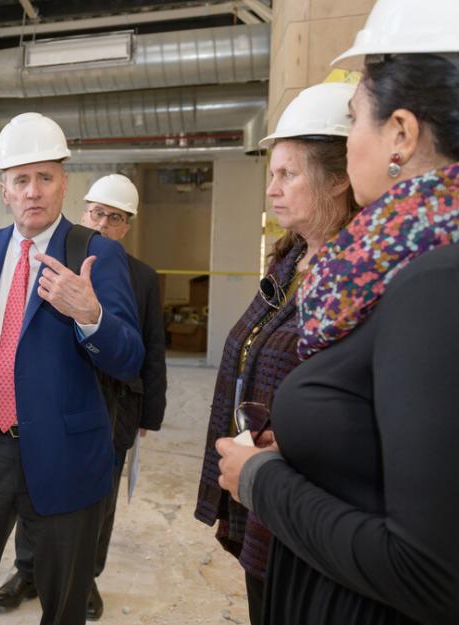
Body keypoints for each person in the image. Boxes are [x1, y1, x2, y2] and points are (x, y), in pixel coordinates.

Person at [217, 2, 459, 622]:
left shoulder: (434, 281)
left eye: (354, 119)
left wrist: (261, 479)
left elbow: (428, 569)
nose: (350, 140)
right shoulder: (393, 260)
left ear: (400, 134)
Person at [0, 112, 144, 625]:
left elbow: (130, 358)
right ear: (4, 189)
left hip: (67, 453)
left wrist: (89, 315)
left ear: (63, 184)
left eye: (45, 178)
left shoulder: (96, 254)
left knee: (62, 600)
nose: (34, 192)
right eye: (21, 180)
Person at [192, 80, 359, 623]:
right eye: (273, 174)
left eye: (288, 174)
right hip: (261, 484)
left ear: (337, 180)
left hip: (309, 503)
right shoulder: (288, 264)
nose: (272, 189)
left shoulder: (358, 276)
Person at [0, 173, 168, 621]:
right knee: (35, 487)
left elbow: (151, 345)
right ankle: (27, 571)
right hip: (63, 404)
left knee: (99, 497)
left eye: (115, 218)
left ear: (126, 226)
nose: (104, 224)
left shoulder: (143, 277)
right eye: (98, 213)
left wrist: (152, 409)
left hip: (117, 405)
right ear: (84, 210)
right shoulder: (53, 258)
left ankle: (85, 576)